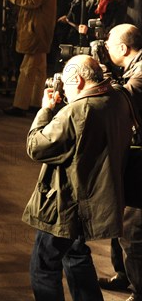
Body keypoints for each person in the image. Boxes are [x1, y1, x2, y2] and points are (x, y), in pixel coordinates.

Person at [22, 54, 133, 301]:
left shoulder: (77, 111)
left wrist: (46, 110)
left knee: (43, 266)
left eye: (69, 84)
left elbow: (36, 147)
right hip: (93, 199)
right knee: (75, 255)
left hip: (66, 203)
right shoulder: (118, 97)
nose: (66, 90)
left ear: (80, 81)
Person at [102, 23, 142, 301]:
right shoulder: (134, 68)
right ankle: (123, 275)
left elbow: (120, 102)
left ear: (123, 48)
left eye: (109, 41)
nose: (105, 45)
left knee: (133, 228)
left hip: (140, 160)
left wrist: (100, 82)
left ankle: (139, 291)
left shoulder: (140, 76)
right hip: (132, 154)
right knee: (120, 215)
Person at [0, 0, 59, 117]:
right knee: (39, 69)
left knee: (27, 68)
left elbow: (32, 0)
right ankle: (34, 102)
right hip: (34, 26)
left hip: (37, 28)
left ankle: (20, 104)